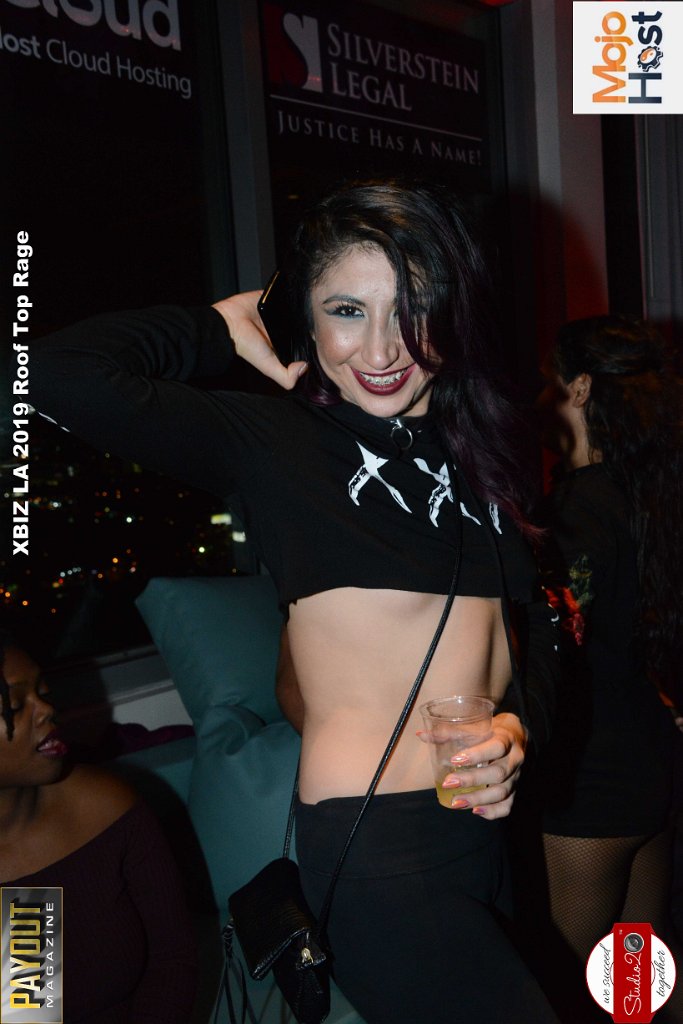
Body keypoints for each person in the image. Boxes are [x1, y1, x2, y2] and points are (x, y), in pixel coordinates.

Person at [27, 180, 559, 1023]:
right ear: (304, 321)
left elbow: (515, 643)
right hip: (379, 846)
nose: (380, 348)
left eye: (411, 310)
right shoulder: (280, 445)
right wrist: (216, 328)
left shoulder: (484, 452)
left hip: (481, 824)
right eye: (346, 311)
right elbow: (56, 374)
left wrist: (512, 732)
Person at [531, 315, 683, 1020]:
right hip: (651, 762)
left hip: (591, 777)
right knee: (635, 982)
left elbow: (559, 648)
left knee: (561, 992)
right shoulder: (651, 496)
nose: (539, 396)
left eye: (549, 381)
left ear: (582, 387)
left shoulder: (576, 510)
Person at [0, 634, 197, 1023]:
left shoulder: (106, 809)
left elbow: (173, 959)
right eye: (18, 704)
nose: (47, 710)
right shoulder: (24, 895)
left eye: (44, 692)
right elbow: (31, 1009)